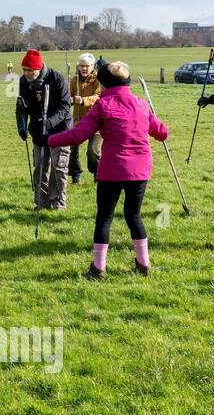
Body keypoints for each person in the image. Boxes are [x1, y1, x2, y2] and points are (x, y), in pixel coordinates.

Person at [47, 61, 168, 279]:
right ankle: (143, 265)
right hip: (139, 170)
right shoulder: (141, 104)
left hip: (112, 170)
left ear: (104, 83)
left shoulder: (102, 106)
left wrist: (50, 140)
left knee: (104, 218)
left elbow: (78, 135)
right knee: (134, 216)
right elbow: (161, 133)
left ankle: (98, 269)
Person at [14, 49, 72, 210]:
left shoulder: (57, 79)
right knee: (40, 166)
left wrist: (50, 123)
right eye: (24, 70)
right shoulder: (23, 82)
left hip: (60, 129)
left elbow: (65, 106)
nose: (27, 73)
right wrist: (22, 127)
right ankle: (41, 201)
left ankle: (58, 202)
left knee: (58, 167)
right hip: (38, 130)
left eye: (30, 70)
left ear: (39, 68)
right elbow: (21, 107)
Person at [68, 53, 103, 185]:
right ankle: (75, 175)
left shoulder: (98, 80)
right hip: (78, 121)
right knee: (71, 150)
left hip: (96, 123)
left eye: (87, 66)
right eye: (82, 66)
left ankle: (97, 175)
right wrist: (70, 100)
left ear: (92, 66)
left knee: (93, 152)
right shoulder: (74, 80)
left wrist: (83, 100)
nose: (84, 68)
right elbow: (68, 95)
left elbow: (98, 97)